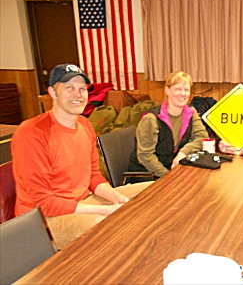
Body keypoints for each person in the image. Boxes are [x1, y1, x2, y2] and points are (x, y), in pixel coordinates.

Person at [12, 64, 153, 249]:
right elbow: (42, 202)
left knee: (152, 192)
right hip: (45, 219)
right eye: (69, 88)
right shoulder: (32, 133)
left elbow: (93, 174)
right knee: (111, 227)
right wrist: (103, 210)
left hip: (83, 201)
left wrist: (114, 196)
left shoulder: (85, 125)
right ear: (53, 93)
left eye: (81, 89)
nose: (77, 94)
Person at [128, 71, 208, 178]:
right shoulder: (151, 119)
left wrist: (183, 152)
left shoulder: (190, 112)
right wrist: (169, 176)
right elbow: (145, 156)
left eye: (186, 90)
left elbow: (203, 138)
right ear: (167, 90)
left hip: (171, 170)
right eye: (178, 89)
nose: (183, 94)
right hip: (147, 174)